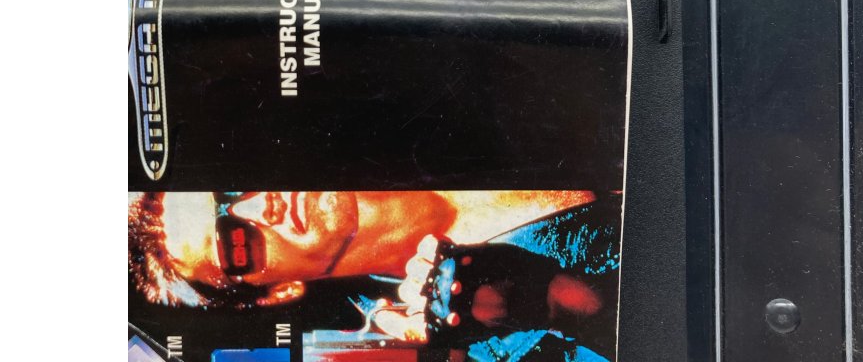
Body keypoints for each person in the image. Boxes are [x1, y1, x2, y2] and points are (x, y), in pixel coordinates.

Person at [128, 190, 598, 309]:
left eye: (233, 185)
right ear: (278, 291)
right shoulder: (473, 332)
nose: (260, 205)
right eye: (235, 243)